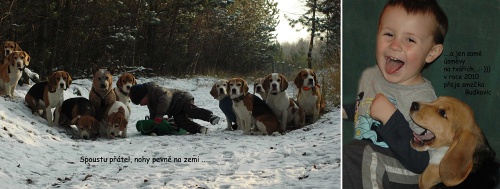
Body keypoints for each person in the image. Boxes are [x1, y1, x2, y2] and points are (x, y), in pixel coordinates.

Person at [342, 0, 448, 188]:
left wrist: (391, 119)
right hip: (370, 163)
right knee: (352, 156)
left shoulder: (424, 101)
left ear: (431, 53)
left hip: (408, 172)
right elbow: (364, 106)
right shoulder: (371, 76)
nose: (395, 45)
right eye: (389, 34)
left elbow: (420, 161)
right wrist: (346, 111)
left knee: (358, 155)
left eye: (410, 39)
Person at [129, 82, 220, 134]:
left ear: (143, 96)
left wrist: (159, 115)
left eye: (140, 102)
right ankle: (199, 129)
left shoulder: (156, 90)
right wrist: (153, 123)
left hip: (182, 98)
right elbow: (154, 116)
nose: (141, 105)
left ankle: (210, 117)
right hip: (176, 110)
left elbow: (166, 98)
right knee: (180, 121)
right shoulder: (150, 104)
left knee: (191, 111)